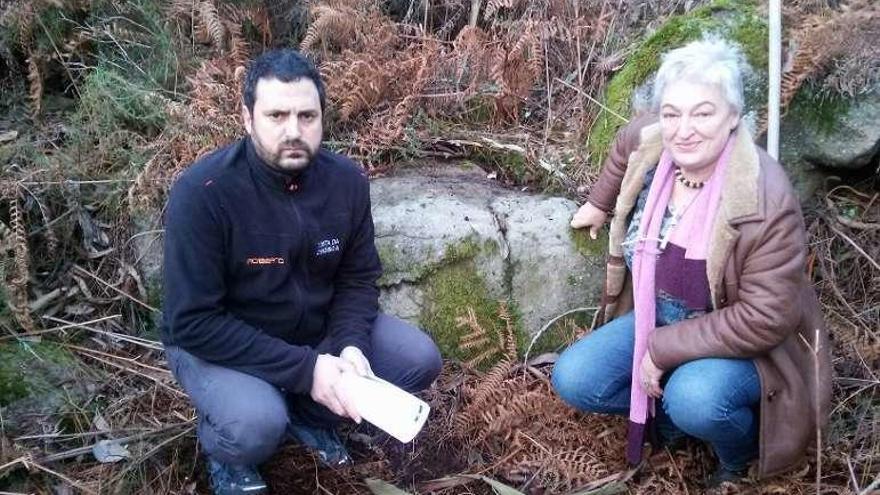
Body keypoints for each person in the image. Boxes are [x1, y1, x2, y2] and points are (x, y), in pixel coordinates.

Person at [160, 49, 443, 495]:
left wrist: (351, 347)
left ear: (322, 117)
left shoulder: (346, 182)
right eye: (277, 115)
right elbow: (192, 322)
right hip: (226, 346)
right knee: (255, 425)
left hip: (315, 334)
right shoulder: (203, 193)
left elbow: (357, 278)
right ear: (248, 118)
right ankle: (226, 452)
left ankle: (308, 419)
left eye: (307, 116)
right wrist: (310, 371)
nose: (294, 131)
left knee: (417, 360)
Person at [552, 38, 831, 486]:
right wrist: (599, 202)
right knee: (574, 378)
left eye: (703, 113)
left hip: (740, 336)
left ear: (734, 117)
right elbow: (625, 145)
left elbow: (766, 319)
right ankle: (675, 425)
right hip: (658, 311)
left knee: (695, 397)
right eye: (672, 113)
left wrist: (661, 351)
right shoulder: (656, 143)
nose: (683, 129)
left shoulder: (764, 197)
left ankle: (738, 457)